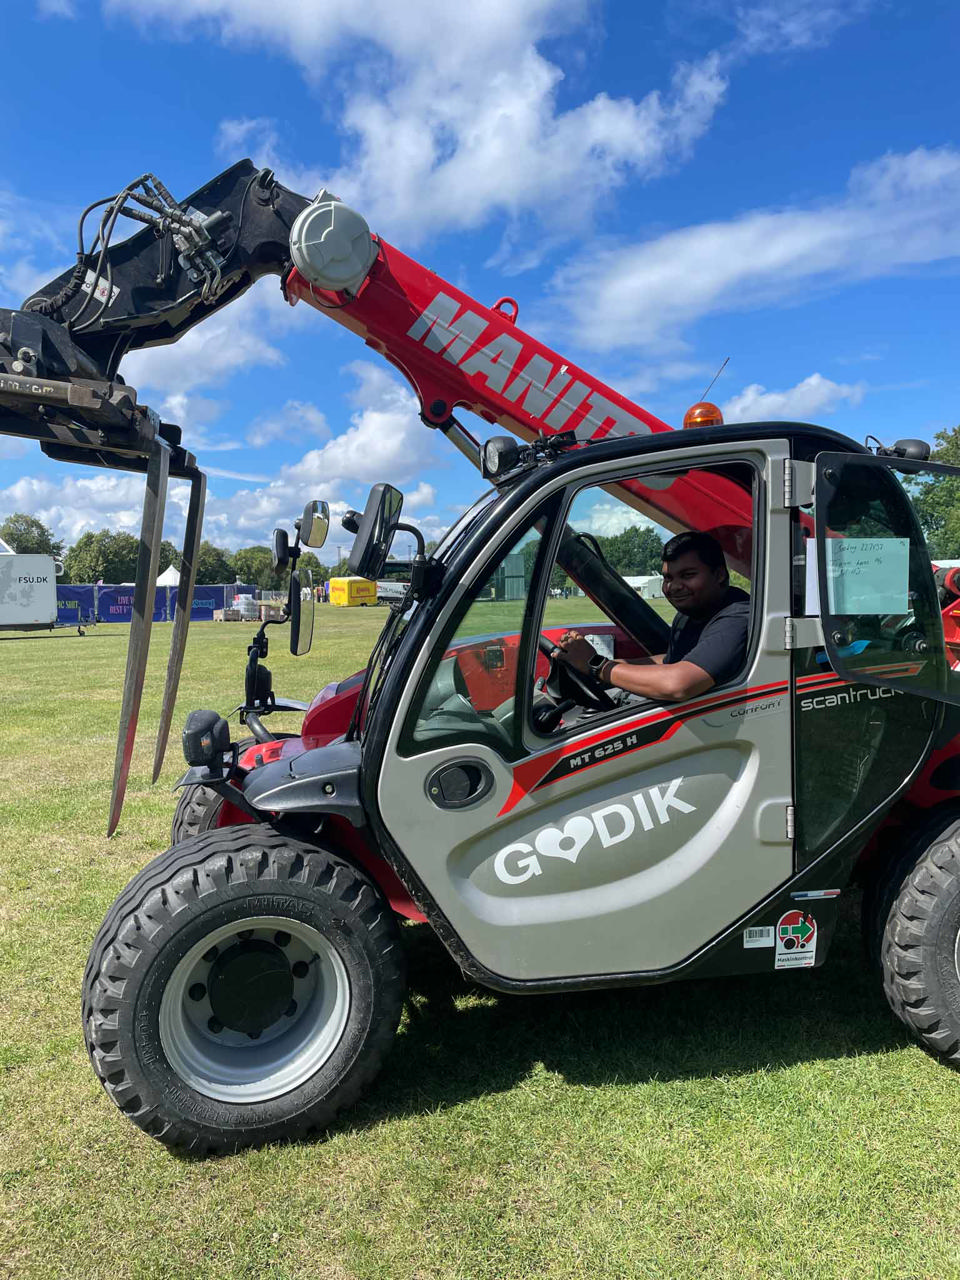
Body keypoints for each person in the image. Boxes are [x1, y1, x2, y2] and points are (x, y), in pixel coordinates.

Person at [554, 531, 750, 703]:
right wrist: (594, 660)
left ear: (720, 575)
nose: (674, 587)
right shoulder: (689, 615)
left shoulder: (737, 617)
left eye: (688, 575)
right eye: (668, 578)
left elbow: (677, 684)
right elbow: (671, 662)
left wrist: (598, 666)